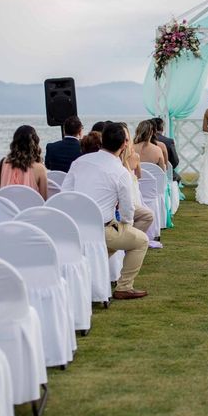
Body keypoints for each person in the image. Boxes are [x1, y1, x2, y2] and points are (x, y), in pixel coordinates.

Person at [62, 122, 149, 300]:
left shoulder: (80, 162)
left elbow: (65, 194)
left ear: (102, 140)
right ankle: (124, 286)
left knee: (111, 241)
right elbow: (127, 210)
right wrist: (126, 226)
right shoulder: (120, 171)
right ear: (125, 144)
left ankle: (89, 274)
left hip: (74, 229)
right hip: (102, 229)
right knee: (141, 241)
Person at [0, 125, 48, 200]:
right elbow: (44, 201)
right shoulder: (40, 169)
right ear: (35, 143)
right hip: (29, 211)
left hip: (6, 211)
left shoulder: (1, 164)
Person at [120, 125, 154, 235]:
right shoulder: (135, 156)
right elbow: (139, 175)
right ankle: (131, 236)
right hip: (132, 191)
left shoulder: (117, 158)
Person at [151, 117, 180, 181]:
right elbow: (175, 161)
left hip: (147, 173)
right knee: (177, 177)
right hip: (165, 173)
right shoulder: (168, 141)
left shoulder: (143, 142)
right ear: (162, 128)